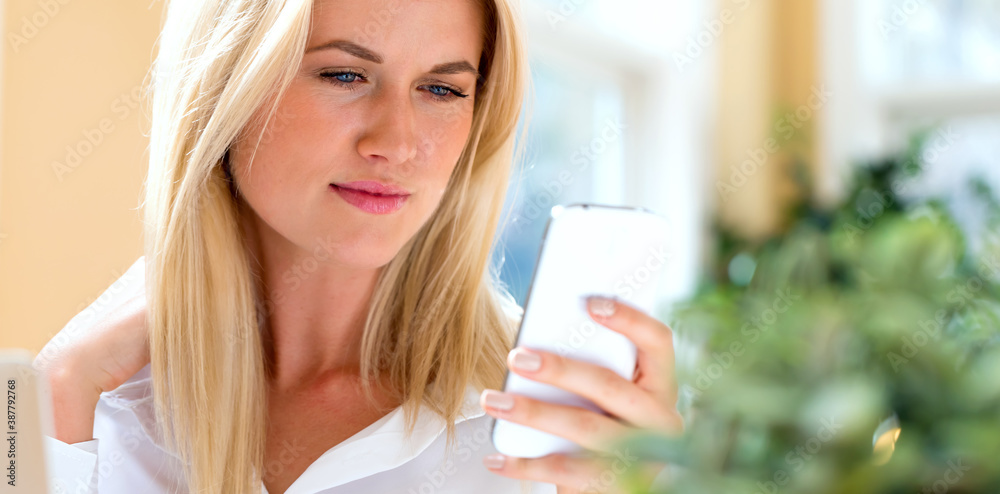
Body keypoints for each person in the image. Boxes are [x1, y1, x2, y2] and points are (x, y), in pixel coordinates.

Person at [33, 0, 682, 492]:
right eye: (345, 75)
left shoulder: (548, 438)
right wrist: (52, 393)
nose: (396, 143)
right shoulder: (92, 403)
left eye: (442, 89)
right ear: (225, 88)